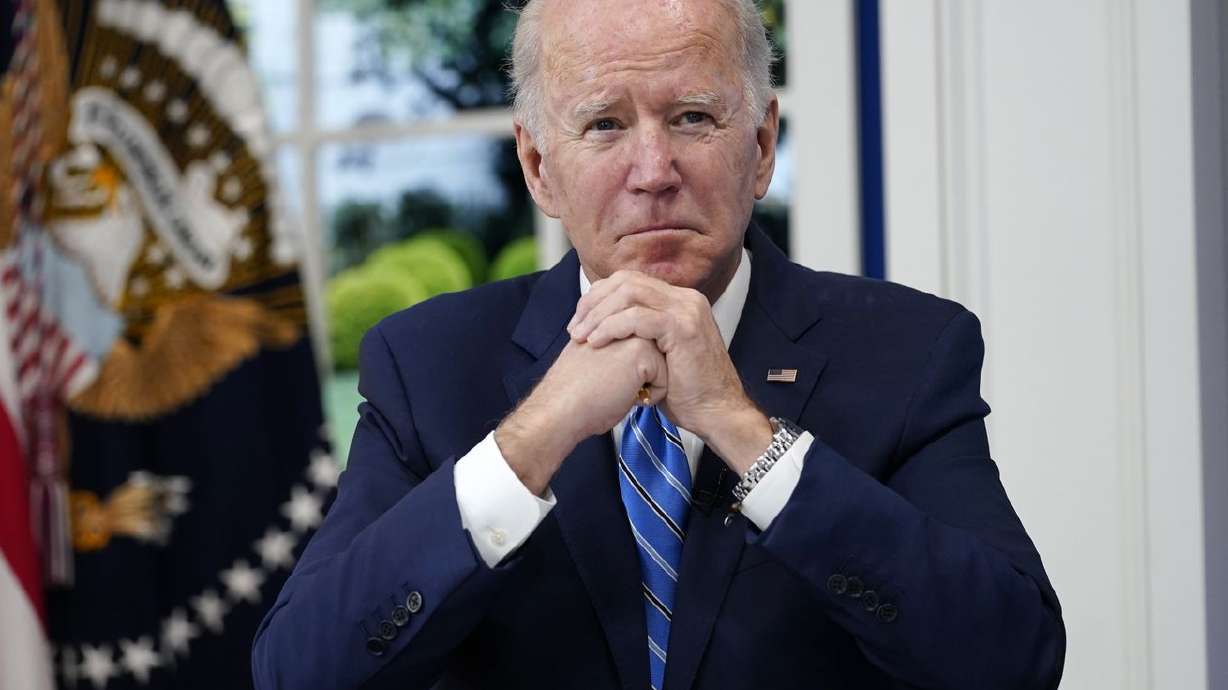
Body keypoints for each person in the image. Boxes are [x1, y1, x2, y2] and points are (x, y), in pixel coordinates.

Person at [252, 0, 1066, 688]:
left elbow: (1011, 658)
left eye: (692, 118)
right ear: (538, 167)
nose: (653, 170)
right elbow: (298, 669)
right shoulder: (425, 364)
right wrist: (531, 441)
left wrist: (746, 433)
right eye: (604, 124)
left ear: (760, 145)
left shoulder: (911, 350)